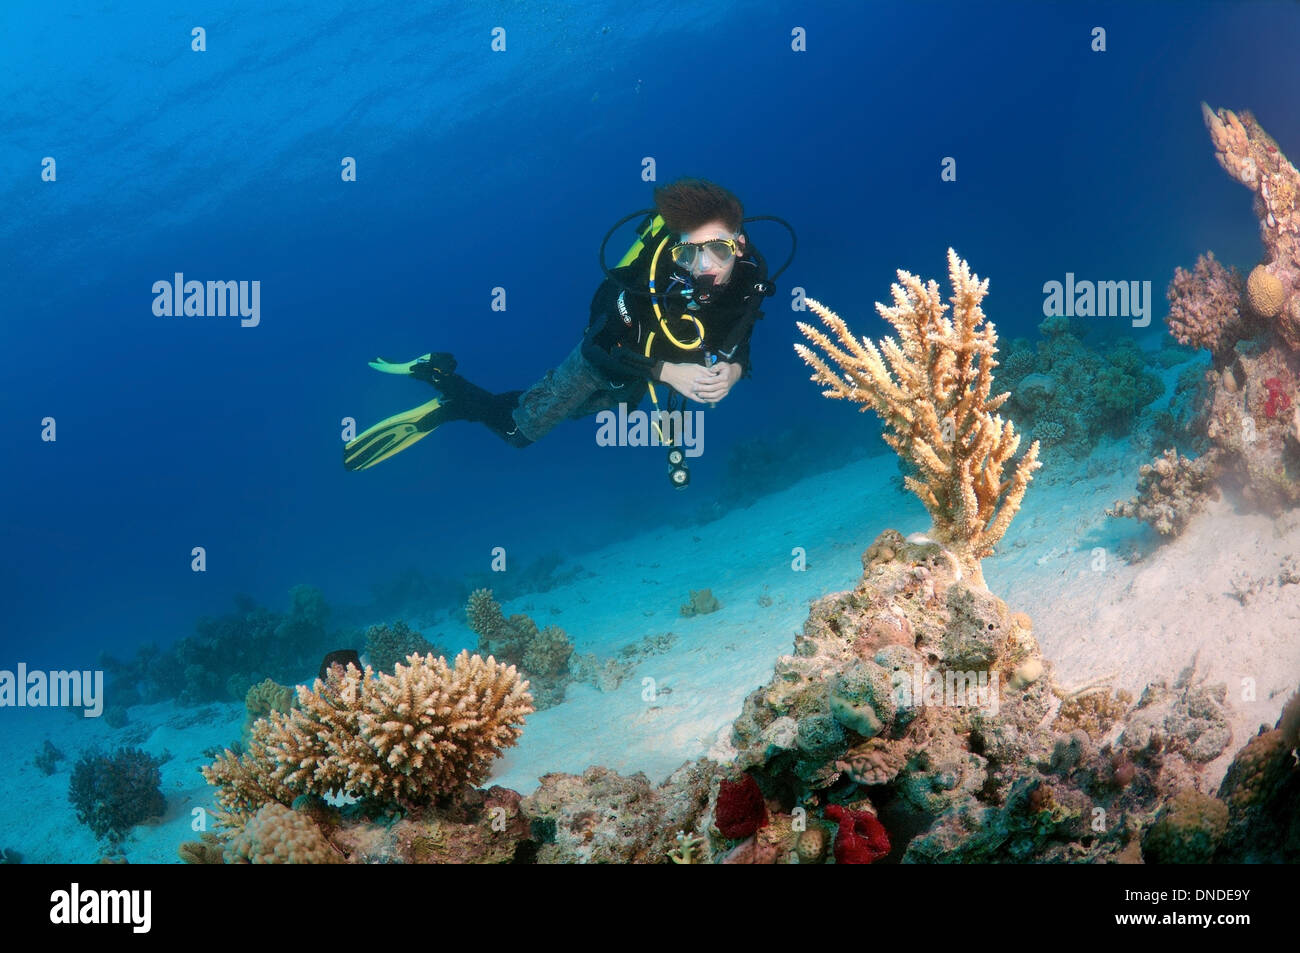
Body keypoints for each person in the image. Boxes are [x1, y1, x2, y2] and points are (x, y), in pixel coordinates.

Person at [344, 178, 781, 471]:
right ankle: (444, 385)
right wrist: (668, 372)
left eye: (718, 251)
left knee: (560, 410)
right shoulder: (646, 283)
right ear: (675, 252)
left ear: (739, 245)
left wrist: (734, 372)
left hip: (633, 379)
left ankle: (469, 401)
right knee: (520, 431)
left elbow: (738, 339)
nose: (704, 268)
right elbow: (596, 347)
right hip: (603, 361)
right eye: (690, 254)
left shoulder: (750, 279)